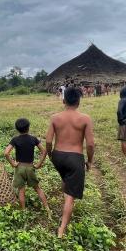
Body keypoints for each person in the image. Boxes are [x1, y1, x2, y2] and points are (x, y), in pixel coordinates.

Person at [45, 87, 95, 237]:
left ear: (64, 100)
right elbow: (91, 144)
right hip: (75, 157)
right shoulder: (85, 118)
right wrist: (90, 161)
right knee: (70, 196)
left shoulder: (55, 118)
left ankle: (65, 201)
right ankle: (62, 229)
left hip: (58, 155)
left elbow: (48, 141)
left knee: (65, 178)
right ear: (79, 101)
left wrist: (50, 155)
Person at [4, 118, 50, 212]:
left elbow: (6, 153)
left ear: (17, 129)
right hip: (30, 167)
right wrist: (38, 164)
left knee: (21, 190)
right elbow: (44, 151)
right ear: (28, 128)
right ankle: (47, 208)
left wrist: (13, 163)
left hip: (19, 167)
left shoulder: (15, 139)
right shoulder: (33, 139)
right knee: (37, 188)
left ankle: (23, 210)